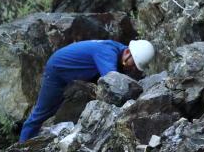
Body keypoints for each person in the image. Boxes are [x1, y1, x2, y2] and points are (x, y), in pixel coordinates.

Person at [19, 39, 155, 142]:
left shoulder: (118, 52)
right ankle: (22, 145)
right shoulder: (107, 52)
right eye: (134, 65)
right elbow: (114, 83)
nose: (132, 69)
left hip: (74, 71)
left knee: (53, 109)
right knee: (42, 113)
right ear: (127, 52)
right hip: (58, 70)